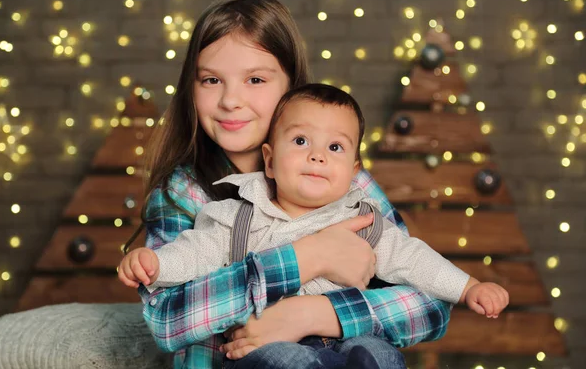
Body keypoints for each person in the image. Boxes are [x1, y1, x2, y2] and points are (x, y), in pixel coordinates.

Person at [124, 0, 457, 369]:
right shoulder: (182, 192)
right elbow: (167, 319)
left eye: (255, 79)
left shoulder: (345, 181)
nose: (231, 100)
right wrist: (308, 257)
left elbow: (431, 303)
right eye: (212, 79)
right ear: (192, 87)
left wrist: (317, 314)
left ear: (290, 87)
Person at [119, 84, 509, 368]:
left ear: (353, 172)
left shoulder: (364, 220)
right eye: (301, 141)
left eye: (335, 148)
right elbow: (196, 251)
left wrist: (468, 286)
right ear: (270, 161)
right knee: (286, 361)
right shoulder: (238, 216)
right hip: (262, 347)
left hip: (346, 340)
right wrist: (155, 265)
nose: (318, 156)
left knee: (379, 354)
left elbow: (415, 261)